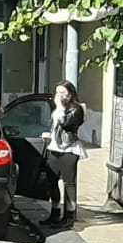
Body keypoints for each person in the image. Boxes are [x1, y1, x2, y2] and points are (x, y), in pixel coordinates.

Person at [44, 80, 87, 228]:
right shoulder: (57, 108)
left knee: (68, 183)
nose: (60, 96)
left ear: (71, 93)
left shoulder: (76, 109)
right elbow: (55, 125)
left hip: (69, 150)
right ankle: (54, 212)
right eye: (57, 93)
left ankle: (69, 216)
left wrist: (61, 106)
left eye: (63, 93)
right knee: (51, 180)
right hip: (54, 148)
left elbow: (66, 123)